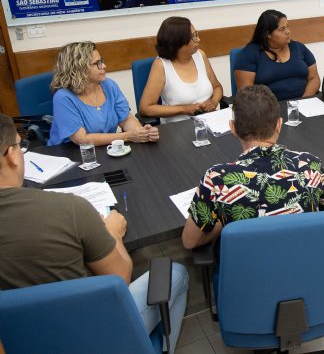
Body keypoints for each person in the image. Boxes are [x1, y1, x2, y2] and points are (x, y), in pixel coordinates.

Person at [0, 113, 188, 353]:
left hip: (20, 339)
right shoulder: (69, 208)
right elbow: (119, 277)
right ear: (10, 156)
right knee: (177, 273)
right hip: (91, 334)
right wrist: (113, 234)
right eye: (20, 145)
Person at [181, 85, 324, 249]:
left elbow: (189, 241)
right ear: (279, 124)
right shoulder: (309, 165)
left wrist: (224, 219)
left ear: (233, 128)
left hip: (247, 273)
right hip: (305, 266)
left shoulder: (216, 180)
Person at [48, 42, 159, 146]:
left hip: (106, 148)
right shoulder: (63, 97)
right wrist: (126, 136)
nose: (104, 66)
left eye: (102, 61)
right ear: (79, 68)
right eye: (97, 63)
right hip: (70, 154)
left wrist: (142, 133)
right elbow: (81, 139)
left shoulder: (109, 85)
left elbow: (126, 120)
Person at [140, 16, 224, 123]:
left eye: (197, 35)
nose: (198, 39)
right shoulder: (161, 65)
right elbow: (146, 108)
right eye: (193, 37)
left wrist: (214, 102)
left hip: (209, 121)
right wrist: (185, 109)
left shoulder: (200, 55)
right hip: (178, 126)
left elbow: (217, 87)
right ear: (178, 42)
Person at [234, 10, 320, 100]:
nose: (288, 32)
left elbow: (314, 78)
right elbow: (247, 95)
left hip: (304, 104)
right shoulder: (248, 55)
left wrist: (303, 101)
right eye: (282, 29)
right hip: (267, 110)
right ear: (268, 34)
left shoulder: (298, 48)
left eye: (287, 27)